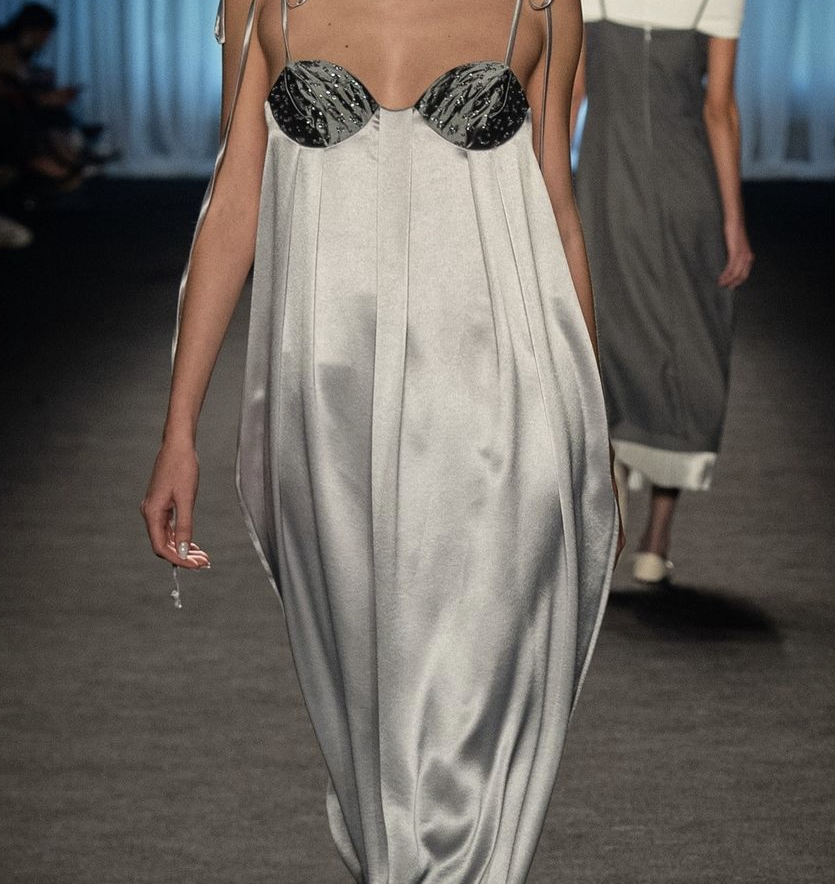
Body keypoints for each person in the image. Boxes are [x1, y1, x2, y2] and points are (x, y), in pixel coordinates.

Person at [140, 0, 620, 879]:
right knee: (368, 701)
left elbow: (558, 209)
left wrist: (593, 425)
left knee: (473, 691)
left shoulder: (542, 4)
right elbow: (233, 204)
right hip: (327, 410)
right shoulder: (261, 3)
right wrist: (180, 432)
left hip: (502, 395)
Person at [573, 0, 752, 584]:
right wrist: (734, 222)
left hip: (604, 187)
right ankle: (656, 540)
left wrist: (547, 198)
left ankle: (616, 477)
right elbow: (719, 110)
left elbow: (569, 97)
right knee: (687, 343)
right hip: (685, 187)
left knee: (607, 332)